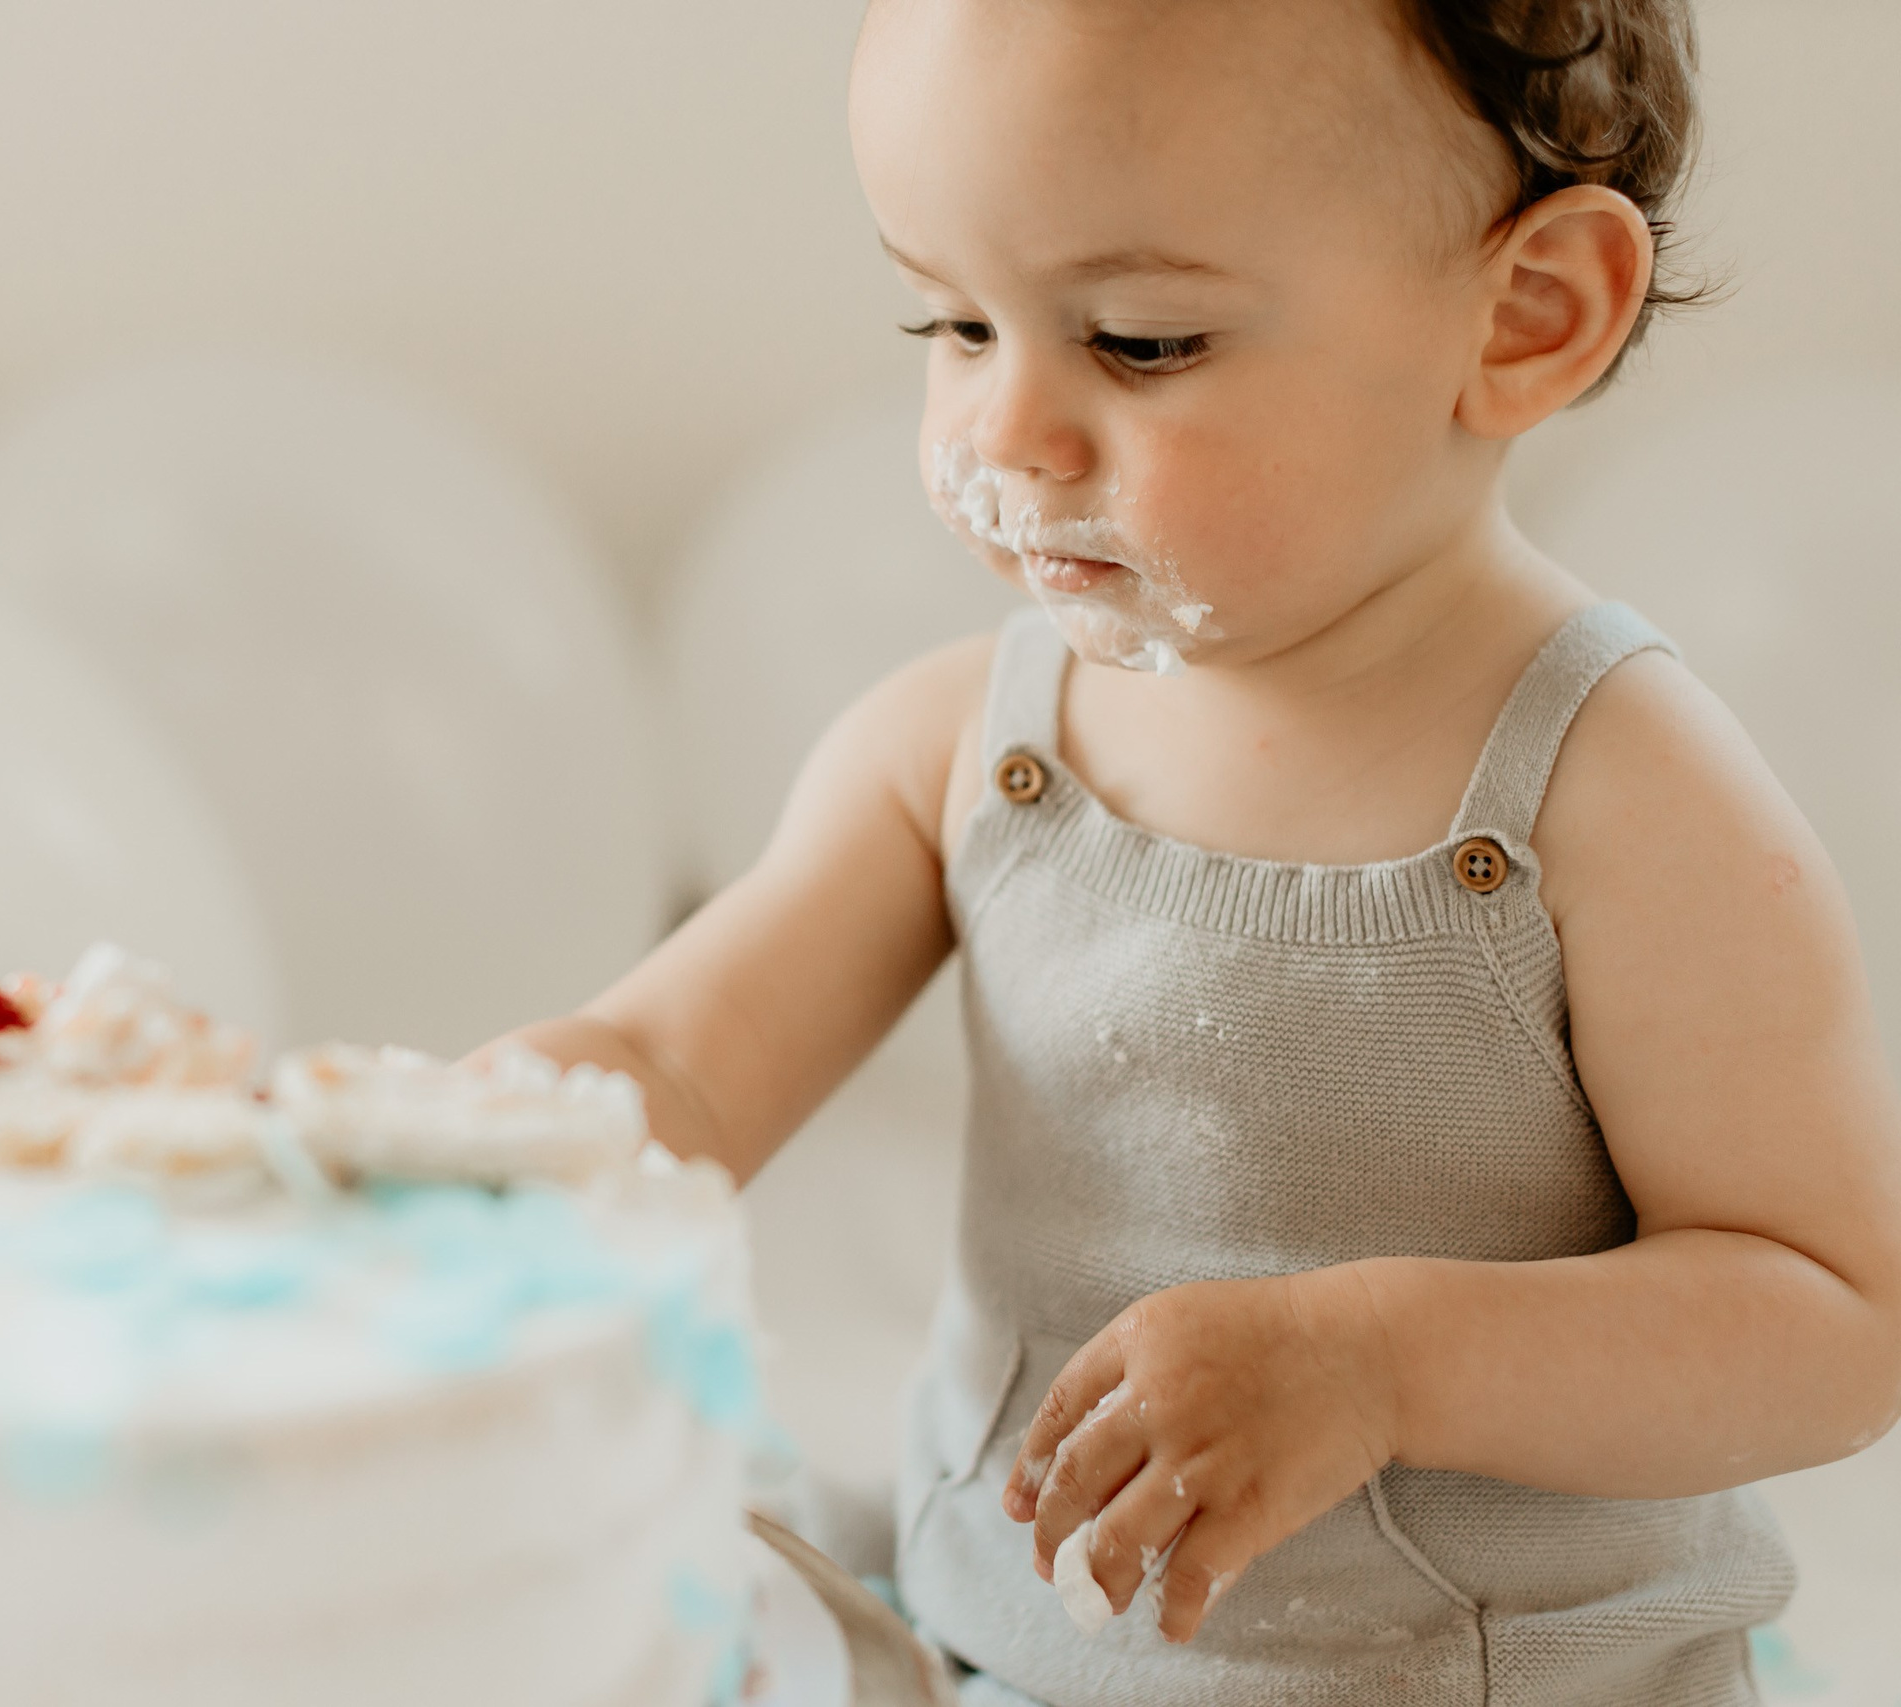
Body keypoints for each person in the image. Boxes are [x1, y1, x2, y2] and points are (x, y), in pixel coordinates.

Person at [503, 0, 1901, 1700]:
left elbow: (1830, 1318)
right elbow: (672, 1067)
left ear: (1527, 317)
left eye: (1142, 343)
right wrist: (450, 1142)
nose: (1007, 432)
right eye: (951, 319)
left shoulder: (1610, 794)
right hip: (994, 1634)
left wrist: (1382, 1364)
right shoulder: (965, 743)